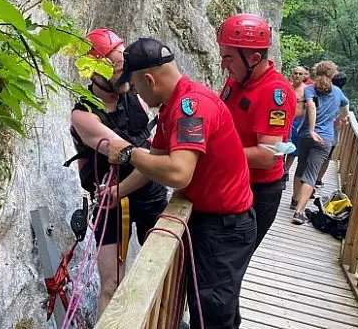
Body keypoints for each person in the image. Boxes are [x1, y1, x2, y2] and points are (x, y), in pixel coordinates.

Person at [106, 38, 256, 329]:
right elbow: (156, 162)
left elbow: (177, 173)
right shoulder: (172, 107)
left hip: (225, 229)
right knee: (208, 304)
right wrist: (117, 191)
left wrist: (127, 153)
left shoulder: (192, 107)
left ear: (149, 79)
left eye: (135, 85)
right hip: (209, 222)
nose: (134, 91)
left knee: (211, 314)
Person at [65, 29, 168, 317]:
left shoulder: (138, 95)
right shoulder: (83, 115)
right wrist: (164, 159)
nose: (124, 74)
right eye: (116, 68)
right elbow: (120, 148)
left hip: (147, 191)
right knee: (111, 283)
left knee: (163, 270)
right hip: (110, 201)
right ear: (95, 72)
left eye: (125, 66)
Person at [216, 13, 296, 250]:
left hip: (256, 193)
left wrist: (215, 154)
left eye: (229, 58)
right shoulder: (237, 80)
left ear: (254, 58)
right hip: (232, 183)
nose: (223, 65)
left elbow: (267, 156)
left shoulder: (274, 94)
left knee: (227, 269)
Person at [291, 61, 349, 224]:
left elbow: (311, 106)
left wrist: (310, 130)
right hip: (324, 138)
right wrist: (339, 119)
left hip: (305, 136)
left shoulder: (310, 89)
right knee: (311, 173)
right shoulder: (337, 92)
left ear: (316, 73)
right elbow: (346, 107)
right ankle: (299, 211)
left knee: (301, 167)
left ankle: (295, 199)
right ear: (333, 74)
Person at [315, 71, 349, 187]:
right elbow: (345, 113)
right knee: (327, 156)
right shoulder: (342, 97)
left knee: (315, 153)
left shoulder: (323, 92)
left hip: (317, 128)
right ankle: (318, 179)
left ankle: (312, 176)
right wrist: (337, 120)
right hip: (332, 131)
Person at [282, 66, 309, 187]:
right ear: (292, 75)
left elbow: (308, 109)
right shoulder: (287, 87)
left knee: (293, 149)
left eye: (300, 74)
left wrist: (303, 124)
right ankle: (281, 169)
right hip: (284, 120)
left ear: (304, 76)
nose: (297, 75)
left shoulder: (307, 91)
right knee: (282, 146)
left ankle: (286, 170)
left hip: (298, 121)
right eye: (295, 73)